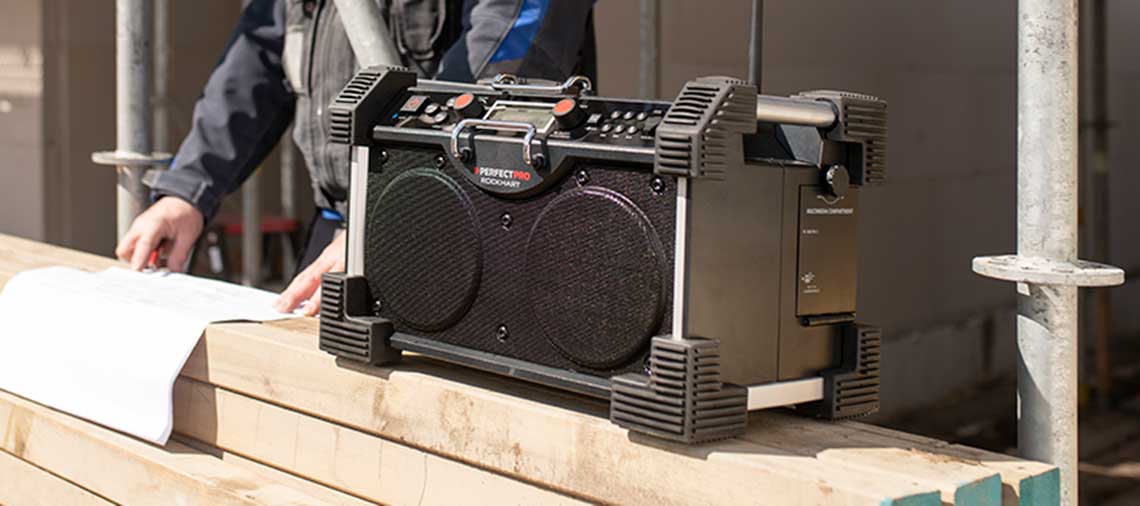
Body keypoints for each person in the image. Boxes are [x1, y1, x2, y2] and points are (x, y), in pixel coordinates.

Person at [114, 0, 597, 315]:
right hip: (340, 232)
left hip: (468, 232)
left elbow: (497, 75)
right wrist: (189, 189)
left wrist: (381, 225)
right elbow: (258, 62)